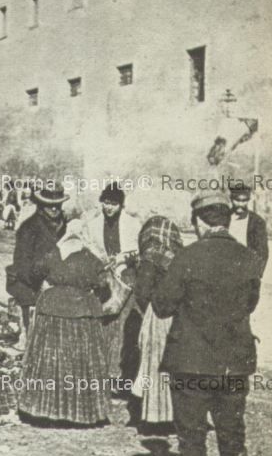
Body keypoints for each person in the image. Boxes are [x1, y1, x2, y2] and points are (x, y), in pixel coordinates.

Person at [152, 192, 262, 456]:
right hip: (234, 364)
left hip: (192, 363)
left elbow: (162, 306)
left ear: (199, 222)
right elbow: (250, 303)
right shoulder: (249, 258)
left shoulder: (187, 257)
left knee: (192, 438)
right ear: (226, 220)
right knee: (233, 438)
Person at [18, 219, 110, 426]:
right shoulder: (90, 258)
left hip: (51, 310)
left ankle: (44, 408)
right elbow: (103, 282)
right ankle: (80, 413)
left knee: (50, 362)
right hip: (81, 312)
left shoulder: (53, 253)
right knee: (79, 363)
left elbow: (34, 272)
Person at [82, 183, 141, 383]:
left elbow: (138, 251)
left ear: (121, 205)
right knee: (104, 322)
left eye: (113, 204)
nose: (108, 207)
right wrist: (100, 260)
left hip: (126, 278)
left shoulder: (132, 224)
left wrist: (121, 258)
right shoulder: (93, 224)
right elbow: (88, 246)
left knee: (121, 326)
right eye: (106, 202)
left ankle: (118, 372)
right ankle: (102, 369)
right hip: (103, 279)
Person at [131, 216, 183, 427]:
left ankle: (156, 416)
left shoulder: (150, 257)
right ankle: (176, 415)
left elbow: (141, 292)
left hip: (158, 316)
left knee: (155, 366)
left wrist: (151, 312)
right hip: (179, 317)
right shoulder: (181, 257)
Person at [6, 182, 68, 334]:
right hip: (31, 284)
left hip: (58, 282)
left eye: (57, 205)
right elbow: (22, 264)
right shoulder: (28, 228)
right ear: (41, 205)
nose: (54, 209)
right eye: (49, 205)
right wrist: (41, 282)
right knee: (35, 329)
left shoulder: (65, 225)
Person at [228, 183, 268, 275]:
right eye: (237, 200)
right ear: (231, 199)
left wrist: (257, 274)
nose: (240, 204)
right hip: (226, 268)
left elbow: (262, 251)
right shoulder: (224, 218)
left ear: (248, 200)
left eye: (244, 201)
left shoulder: (257, 221)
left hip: (247, 270)